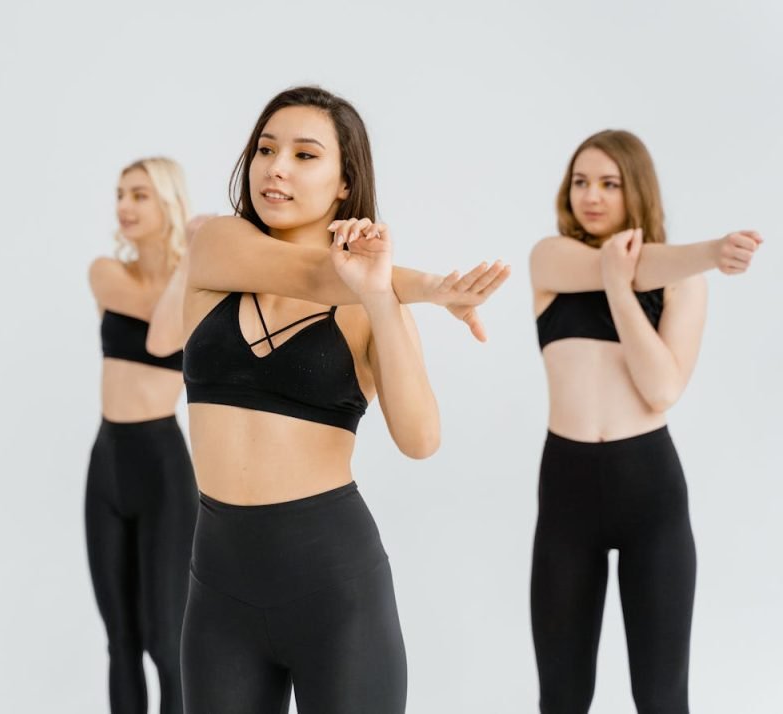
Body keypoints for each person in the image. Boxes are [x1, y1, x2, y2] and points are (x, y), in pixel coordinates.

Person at [177, 85, 510, 714]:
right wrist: (434, 287)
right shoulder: (216, 249)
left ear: (343, 182)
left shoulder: (374, 303)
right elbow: (308, 272)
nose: (275, 167)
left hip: (335, 592)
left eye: (305, 155)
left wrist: (384, 297)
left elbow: (420, 440)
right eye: (265, 149)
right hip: (219, 593)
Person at [528, 129, 762, 713]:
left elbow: (661, 388)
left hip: (649, 489)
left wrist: (618, 285)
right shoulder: (551, 259)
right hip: (567, 492)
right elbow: (629, 265)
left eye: (610, 183)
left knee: (660, 697)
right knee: (562, 696)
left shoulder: (683, 281)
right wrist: (706, 251)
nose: (593, 196)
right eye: (581, 181)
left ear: (637, 189)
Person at [84, 157, 200, 714]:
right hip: (107, 464)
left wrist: (193, 263)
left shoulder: (199, 282)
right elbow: (159, 324)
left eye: (140, 195)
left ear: (169, 204)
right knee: (121, 642)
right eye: (120, 194)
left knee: (164, 641)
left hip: (163, 468)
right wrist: (192, 266)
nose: (124, 206)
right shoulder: (107, 272)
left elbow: (160, 343)